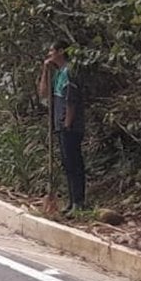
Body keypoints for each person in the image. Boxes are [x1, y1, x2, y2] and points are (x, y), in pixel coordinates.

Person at [38, 39, 86, 213]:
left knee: (74, 164)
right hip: (60, 125)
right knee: (67, 164)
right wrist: (45, 69)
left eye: (51, 51)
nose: (49, 54)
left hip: (70, 127)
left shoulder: (69, 72)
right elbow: (43, 93)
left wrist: (67, 124)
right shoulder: (58, 73)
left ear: (60, 51)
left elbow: (71, 101)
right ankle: (72, 202)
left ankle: (78, 203)